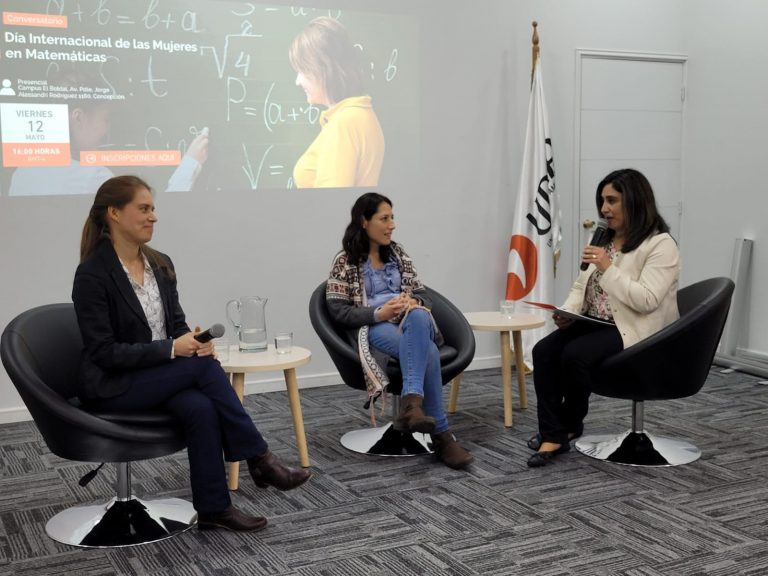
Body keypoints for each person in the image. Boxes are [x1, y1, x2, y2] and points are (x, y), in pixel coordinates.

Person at [72, 175, 310, 531]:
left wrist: (193, 341)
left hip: (155, 378)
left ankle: (215, 509)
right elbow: (104, 353)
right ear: (114, 213)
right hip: (112, 384)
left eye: (153, 209)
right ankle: (260, 458)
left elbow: (176, 325)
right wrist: (173, 348)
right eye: (144, 209)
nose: (153, 216)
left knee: (201, 406)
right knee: (203, 369)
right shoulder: (92, 274)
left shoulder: (160, 264)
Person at [527, 168, 681, 467]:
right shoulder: (603, 239)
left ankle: (566, 427)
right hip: (594, 322)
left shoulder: (660, 245)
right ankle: (554, 432)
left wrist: (608, 267)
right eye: (601, 201)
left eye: (612, 201)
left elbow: (647, 300)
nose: (604, 209)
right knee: (543, 351)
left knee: (575, 355)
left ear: (634, 201)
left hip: (634, 328)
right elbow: (581, 285)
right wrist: (568, 312)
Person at [326, 192, 472, 469]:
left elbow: (424, 296)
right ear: (364, 221)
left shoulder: (398, 254)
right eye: (384, 218)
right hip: (375, 326)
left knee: (418, 314)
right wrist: (378, 313)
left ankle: (412, 405)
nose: (392, 225)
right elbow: (337, 311)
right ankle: (441, 435)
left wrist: (413, 301)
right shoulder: (345, 261)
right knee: (429, 351)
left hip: (411, 322)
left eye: (392, 218)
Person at [9, 66, 207, 196]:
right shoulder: (92, 177)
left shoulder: (23, 172)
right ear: (78, 117)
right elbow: (149, 223)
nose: (106, 129)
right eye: (105, 119)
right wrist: (191, 164)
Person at [289, 17, 385, 188]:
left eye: (302, 70)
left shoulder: (345, 123)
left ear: (323, 69)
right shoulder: (359, 114)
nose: (297, 81)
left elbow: (331, 199)